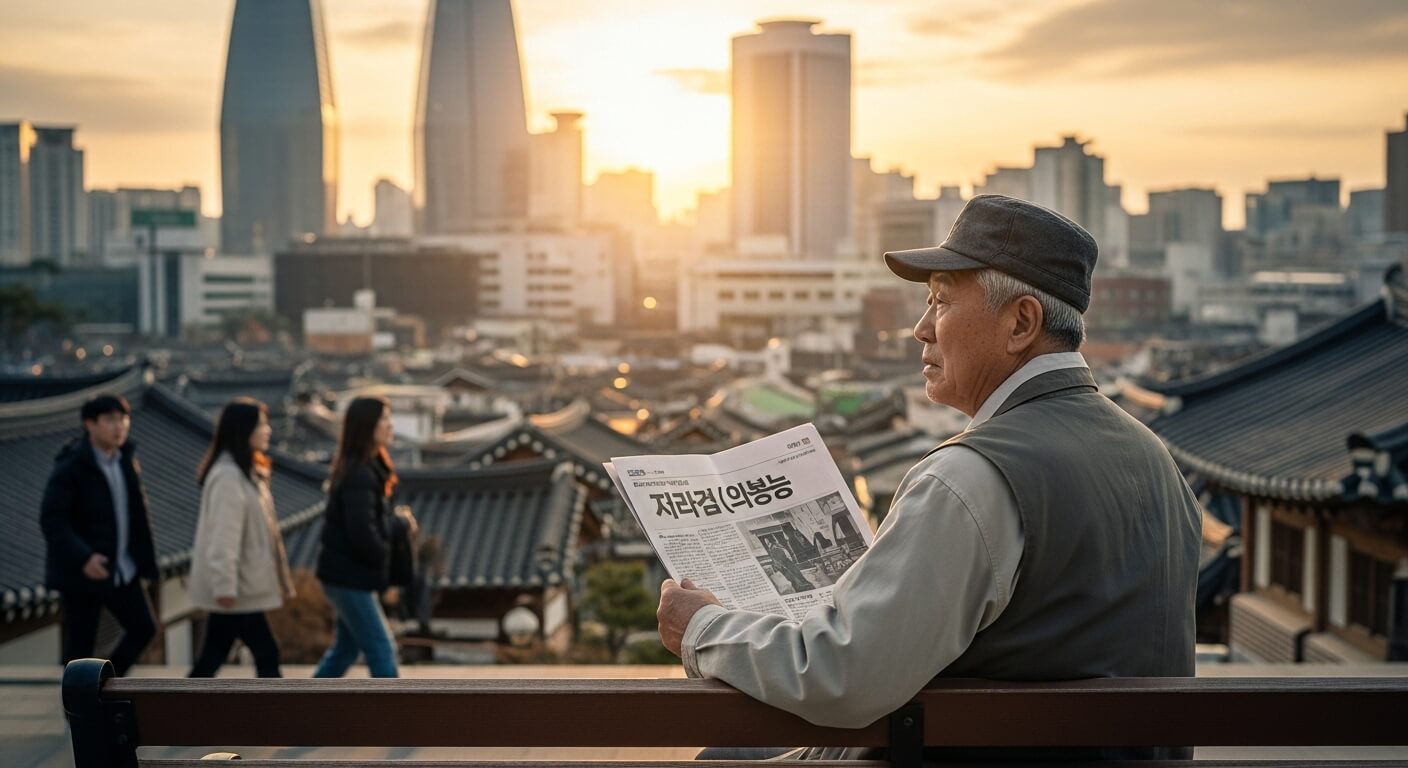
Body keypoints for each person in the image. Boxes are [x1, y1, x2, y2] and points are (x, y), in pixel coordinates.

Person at [657, 194, 1201, 761]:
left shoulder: (972, 477)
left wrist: (703, 627)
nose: (920, 329)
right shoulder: (1153, 457)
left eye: (940, 300)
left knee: (720, 758)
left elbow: (843, 675)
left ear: (1021, 323)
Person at [40, 393, 158, 676]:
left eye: (123, 419)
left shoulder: (125, 460)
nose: (119, 426)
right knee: (80, 647)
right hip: (85, 571)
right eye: (109, 420)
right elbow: (52, 520)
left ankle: (101, 686)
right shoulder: (71, 466)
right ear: (89, 424)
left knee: (144, 628)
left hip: (121, 569)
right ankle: (74, 710)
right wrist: (83, 557)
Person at [188, 398, 295, 678]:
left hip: (239, 586)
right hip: (236, 589)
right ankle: (274, 717)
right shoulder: (229, 477)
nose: (268, 430)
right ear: (243, 430)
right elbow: (224, 536)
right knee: (266, 654)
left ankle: (177, 710)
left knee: (212, 657)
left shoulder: (244, 472)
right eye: (262, 424)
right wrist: (224, 585)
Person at [312, 396, 417, 678]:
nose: (389, 425)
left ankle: (304, 705)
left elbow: (365, 524)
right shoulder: (361, 474)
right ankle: (389, 715)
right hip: (350, 577)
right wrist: (396, 529)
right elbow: (363, 533)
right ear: (367, 426)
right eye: (384, 419)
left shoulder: (361, 468)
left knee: (345, 651)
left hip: (345, 575)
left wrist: (394, 524)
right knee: (381, 648)